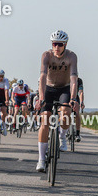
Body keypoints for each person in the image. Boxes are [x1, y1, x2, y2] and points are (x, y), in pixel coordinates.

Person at [36, 30, 78, 172]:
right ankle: (41, 159)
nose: (57, 47)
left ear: (65, 45)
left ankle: (62, 135)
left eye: (60, 44)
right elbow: (42, 76)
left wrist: (73, 98)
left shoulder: (71, 56)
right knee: (45, 121)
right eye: (54, 44)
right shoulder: (46, 55)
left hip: (64, 88)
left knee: (66, 112)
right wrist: (41, 97)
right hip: (49, 88)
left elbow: (73, 78)